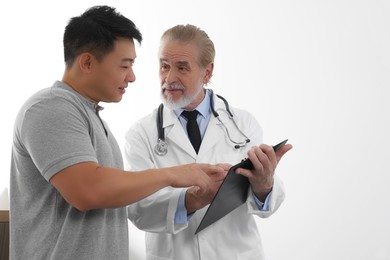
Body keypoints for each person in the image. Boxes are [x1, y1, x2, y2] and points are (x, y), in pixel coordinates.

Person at [9, 7, 225, 260]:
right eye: (125, 65)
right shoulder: (50, 108)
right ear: (87, 62)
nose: (132, 77)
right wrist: (175, 174)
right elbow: (88, 191)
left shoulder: (90, 117)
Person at [124, 24, 293, 260]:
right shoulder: (141, 133)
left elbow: (267, 206)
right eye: (164, 66)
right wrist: (191, 200)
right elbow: (137, 209)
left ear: (207, 72)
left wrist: (264, 185)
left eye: (182, 68)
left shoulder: (242, 124)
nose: (169, 78)